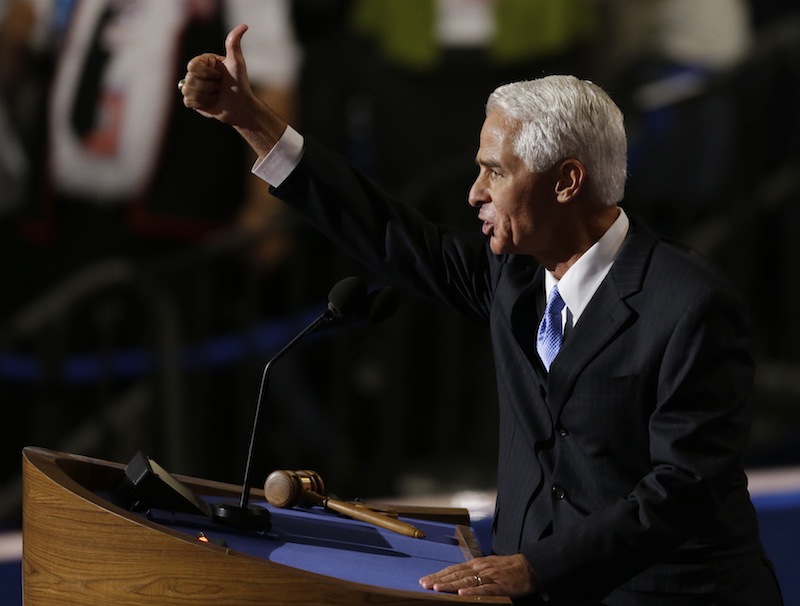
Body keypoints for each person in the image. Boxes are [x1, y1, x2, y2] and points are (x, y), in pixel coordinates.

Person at [179, 24, 784, 605]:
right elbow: (384, 229)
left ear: (567, 182)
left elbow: (683, 490)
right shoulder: (515, 276)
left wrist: (535, 568)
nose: (474, 192)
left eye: (495, 171)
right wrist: (252, 120)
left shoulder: (689, 304)